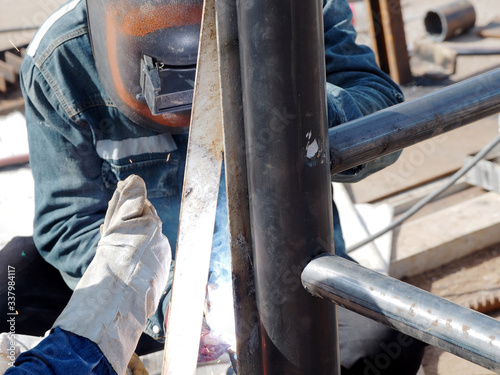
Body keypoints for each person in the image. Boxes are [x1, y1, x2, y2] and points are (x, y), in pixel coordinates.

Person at [0, 0, 426, 373]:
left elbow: (381, 110)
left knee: (390, 338)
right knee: (11, 285)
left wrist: (295, 102)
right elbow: (66, 219)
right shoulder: (61, 60)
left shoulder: (296, 9)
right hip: (146, 295)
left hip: (283, 272)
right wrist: (162, 301)